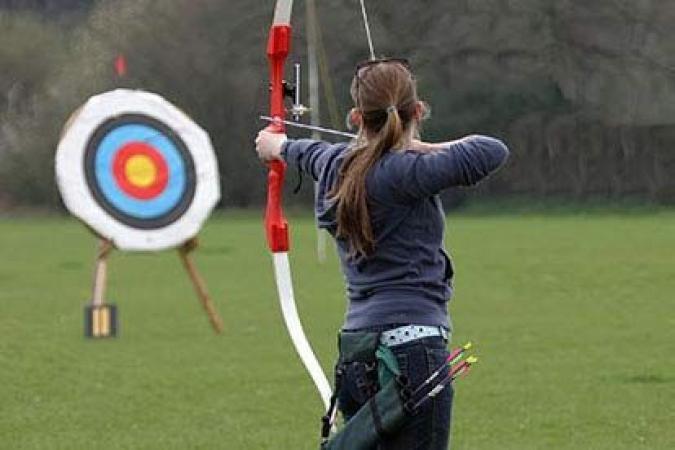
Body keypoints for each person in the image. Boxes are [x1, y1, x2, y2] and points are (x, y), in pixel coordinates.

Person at [255, 58, 509, 450]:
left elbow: (303, 151)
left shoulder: (333, 164)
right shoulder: (407, 172)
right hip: (414, 351)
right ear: (418, 111)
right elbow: (491, 150)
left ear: (355, 117)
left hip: (357, 352)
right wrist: (417, 144)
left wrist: (278, 145)